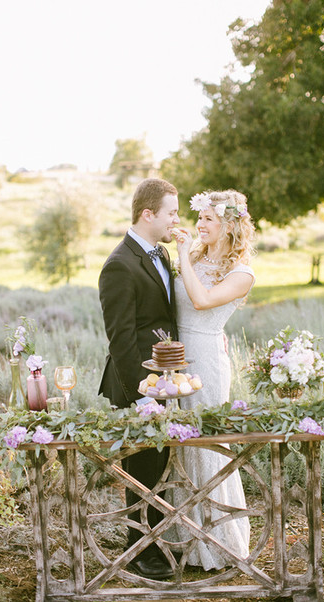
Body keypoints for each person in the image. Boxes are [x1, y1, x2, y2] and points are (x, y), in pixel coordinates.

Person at [98, 178, 180, 579]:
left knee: (160, 465)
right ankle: (140, 553)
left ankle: (157, 544)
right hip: (136, 383)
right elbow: (121, 341)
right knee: (142, 471)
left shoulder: (160, 252)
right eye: (171, 213)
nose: (176, 220)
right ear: (148, 214)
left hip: (164, 378)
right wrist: (142, 395)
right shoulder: (119, 265)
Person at [170, 189, 255, 570]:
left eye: (207, 219)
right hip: (175, 359)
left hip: (205, 360)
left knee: (206, 446)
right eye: (199, 218)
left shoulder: (242, 274)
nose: (199, 225)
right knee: (181, 445)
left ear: (229, 225)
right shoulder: (196, 258)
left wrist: (180, 255)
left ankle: (219, 541)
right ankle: (184, 537)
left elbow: (202, 301)